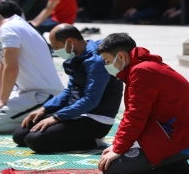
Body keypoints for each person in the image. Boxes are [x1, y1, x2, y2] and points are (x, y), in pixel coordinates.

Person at [96, 33, 189, 174]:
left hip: (184, 140)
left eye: (107, 61)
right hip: (178, 134)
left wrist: (118, 148)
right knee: (114, 155)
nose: (107, 66)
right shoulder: (141, 68)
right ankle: (173, 164)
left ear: (121, 57)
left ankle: (172, 170)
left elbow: (135, 115)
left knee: (112, 168)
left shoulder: (142, 71)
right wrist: (117, 145)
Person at [13, 24, 123, 153]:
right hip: (75, 112)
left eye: (56, 47)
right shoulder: (75, 56)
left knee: (34, 141)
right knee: (20, 136)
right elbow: (69, 90)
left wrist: (57, 117)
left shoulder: (97, 60)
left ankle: (92, 142)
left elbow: (91, 99)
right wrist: (44, 109)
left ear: (70, 41)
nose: (55, 51)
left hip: (95, 119)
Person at [0, 9, 64, 133]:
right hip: (29, 92)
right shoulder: (11, 25)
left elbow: (11, 69)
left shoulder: (8, 30)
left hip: (45, 94)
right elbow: (2, 64)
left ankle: (50, 118)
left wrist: (2, 100)